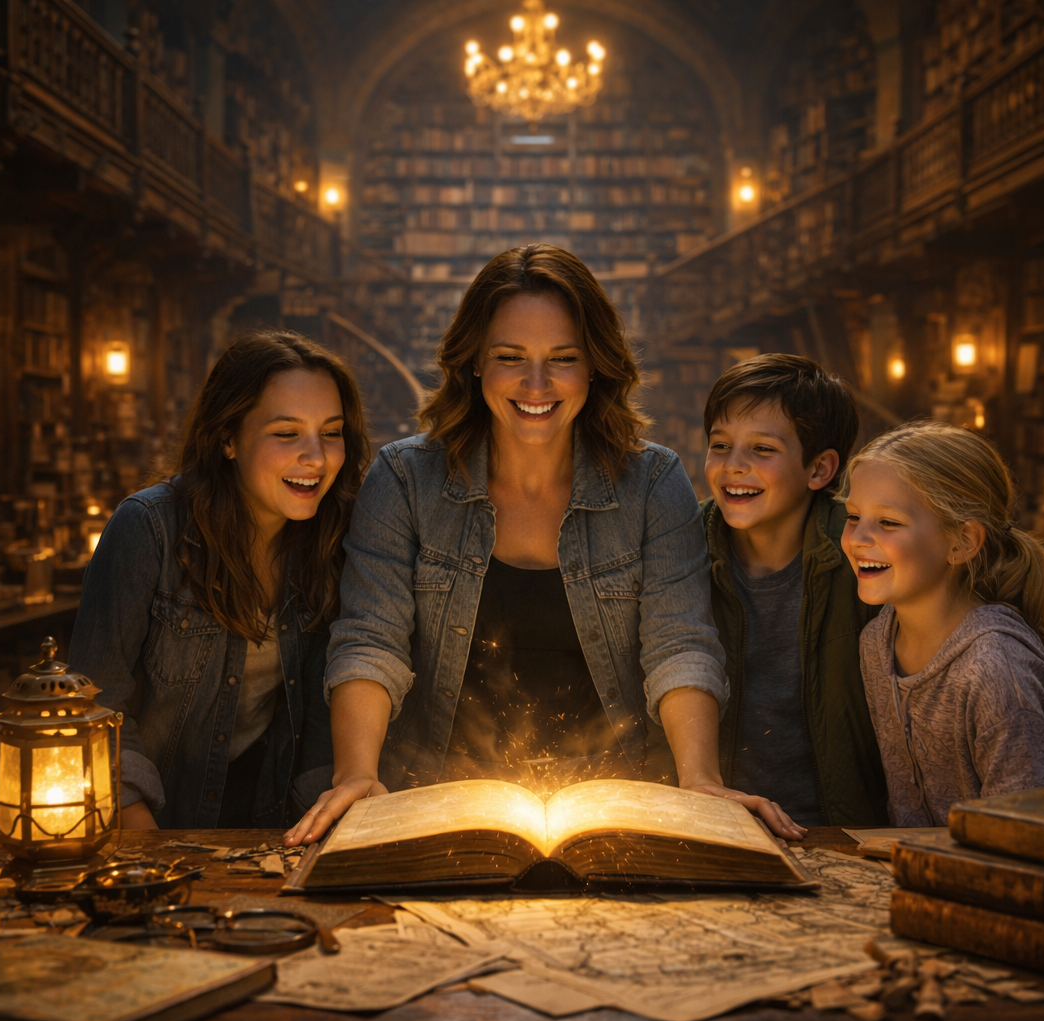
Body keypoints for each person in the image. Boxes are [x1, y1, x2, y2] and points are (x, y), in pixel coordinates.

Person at [285, 243, 801, 847]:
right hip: (435, 800)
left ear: (594, 366)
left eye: (563, 358)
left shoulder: (653, 482)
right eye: (510, 357)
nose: (536, 384)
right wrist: (357, 775)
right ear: (474, 361)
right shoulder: (404, 480)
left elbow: (679, 644)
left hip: (615, 803)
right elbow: (372, 639)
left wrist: (701, 781)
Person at [69, 330, 368, 829]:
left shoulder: (334, 538)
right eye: (286, 433)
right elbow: (95, 710)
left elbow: (323, 715)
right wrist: (153, 854)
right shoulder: (148, 529)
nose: (316, 457)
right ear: (228, 438)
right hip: (152, 819)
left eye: (331, 432)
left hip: (271, 819)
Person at [839, 421, 1044, 827]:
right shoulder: (876, 642)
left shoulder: (995, 670)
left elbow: (1025, 837)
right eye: (853, 517)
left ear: (962, 542)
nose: (857, 538)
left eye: (888, 522)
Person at [700, 354, 889, 832]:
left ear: (820, 469)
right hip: (713, 826)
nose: (733, 467)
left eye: (762, 450)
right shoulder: (679, 545)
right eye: (719, 445)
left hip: (837, 831)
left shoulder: (864, 554)